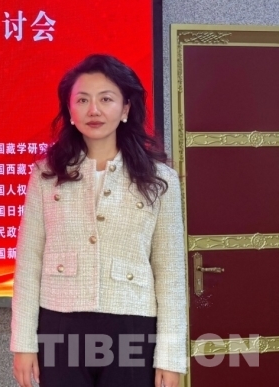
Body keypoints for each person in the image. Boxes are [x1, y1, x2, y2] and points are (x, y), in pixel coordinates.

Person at [11, 55, 186, 387]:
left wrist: (170, 356)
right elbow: (29, 262)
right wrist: (23, 343)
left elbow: (170, 272)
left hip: (132, 326)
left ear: (125, 108)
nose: (94, 110)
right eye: (82, 100)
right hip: (59, 325)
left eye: (106, 99)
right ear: (70, 111)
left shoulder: (159, 178)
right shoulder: (46, 175)